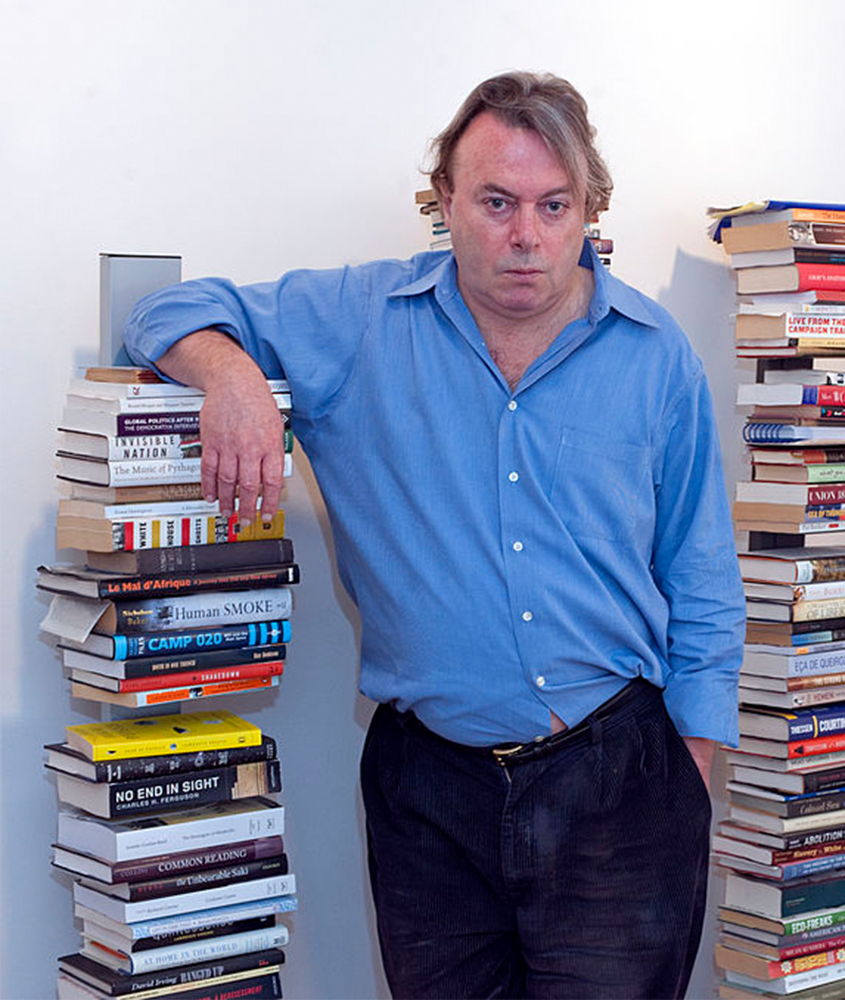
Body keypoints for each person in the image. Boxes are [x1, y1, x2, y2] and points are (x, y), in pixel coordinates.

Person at [124, 71, 744, 1000]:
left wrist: (689, 777)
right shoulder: (359, 323)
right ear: (444, 202)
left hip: (621, 785)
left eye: (552, 204)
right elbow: (163, 314)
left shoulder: (655, 355)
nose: (525, 235)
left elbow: (701, 577)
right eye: (495, 202)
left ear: (588, 210)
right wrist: (233, 377)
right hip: (428, 799)